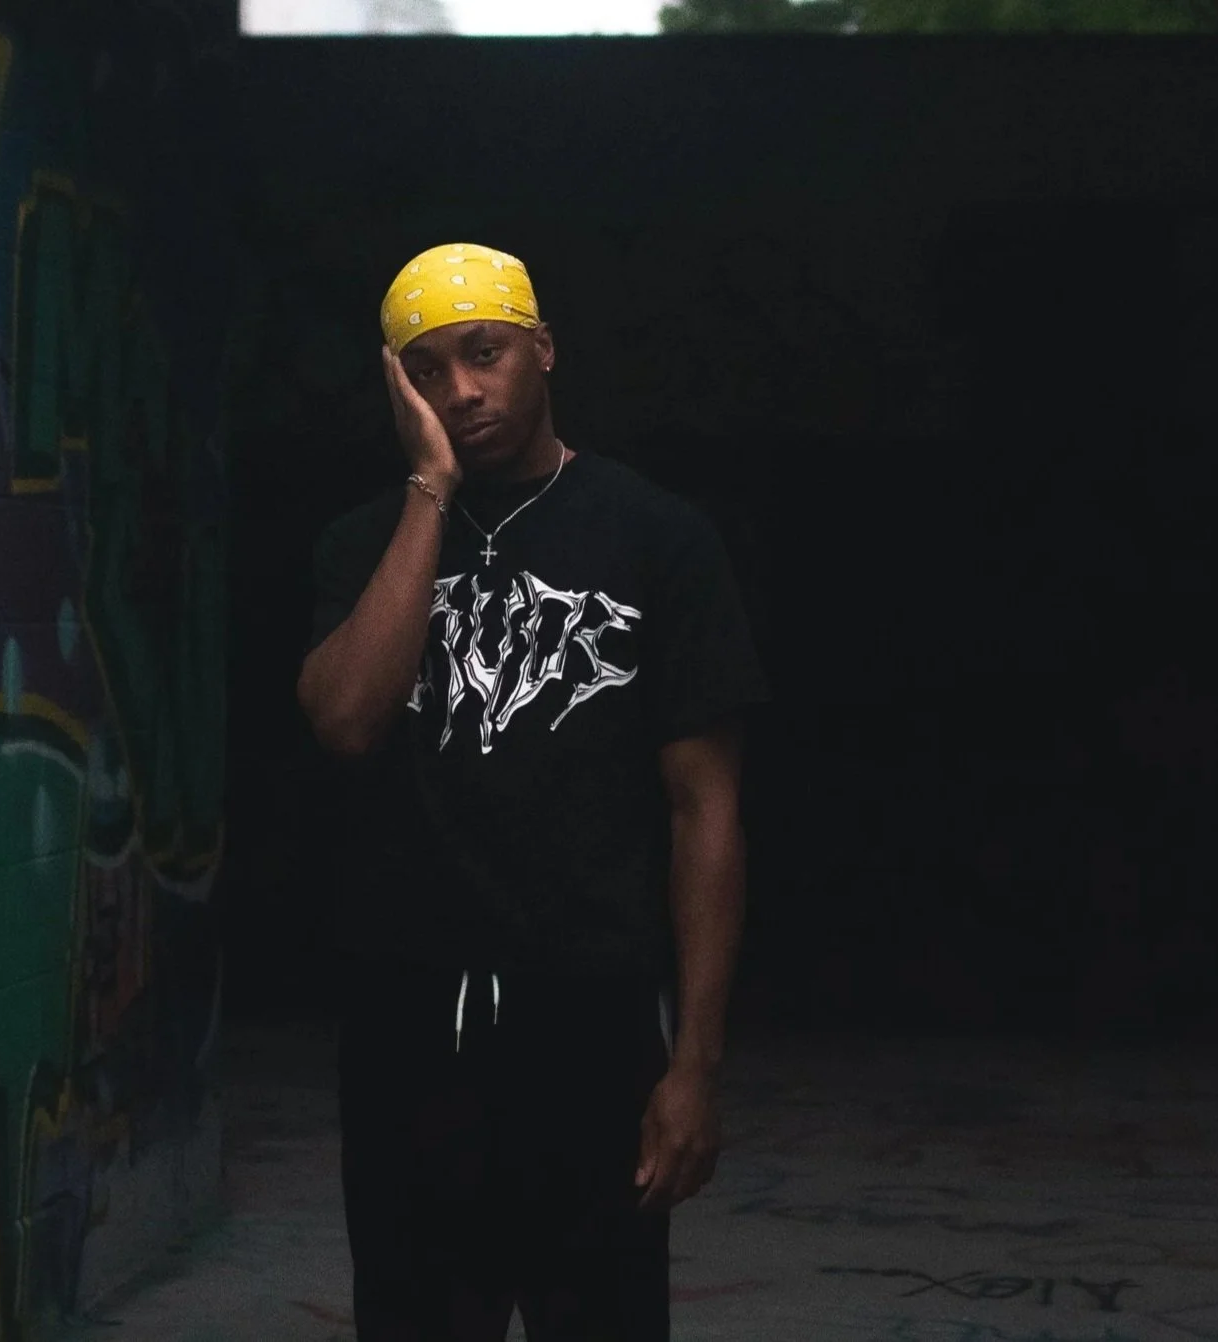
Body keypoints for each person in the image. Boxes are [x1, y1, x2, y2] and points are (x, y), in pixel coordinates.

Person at [297, 242, 769, 1341]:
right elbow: (348, 719)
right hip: (409, 1022)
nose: (461, 390)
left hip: (592, 1019)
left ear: (542, 350)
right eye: (427, 371)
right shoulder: (362, 540)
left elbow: (709, 811)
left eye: (485, 354)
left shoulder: (658, 538)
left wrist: (694, 1065)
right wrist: (431, 489)